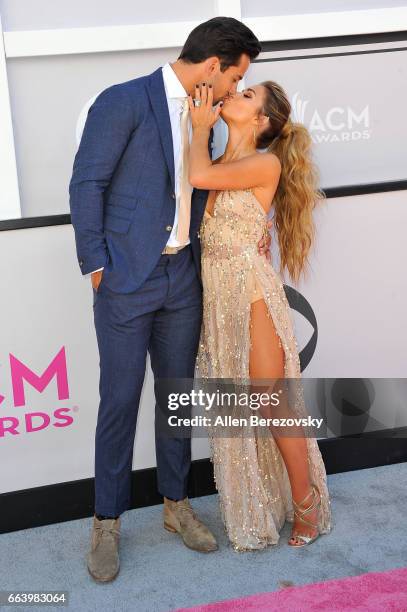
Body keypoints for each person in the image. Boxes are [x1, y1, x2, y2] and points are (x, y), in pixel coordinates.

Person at [69, 17, 272, 582]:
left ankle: (175, 506)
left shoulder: (208, 116)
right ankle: (106, 521)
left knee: (177, 399)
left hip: (183, 278)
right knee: (119, 401)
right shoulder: (124, 100)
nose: (235, 88)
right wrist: (96, 265)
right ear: (215, 65)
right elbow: (86, 184)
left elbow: (203, 183)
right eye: (237, 76)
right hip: (125, 280)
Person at [189, 80, 332, 550]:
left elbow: (198, 178)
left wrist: (198, 127)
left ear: (263, 121)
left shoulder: (263, 161)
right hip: (217, 296)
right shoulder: (222, 158)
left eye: (247, 96)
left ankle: (306, 500)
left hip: (249, 292)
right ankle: (267, 501)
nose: (236, 94)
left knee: (274, 403)